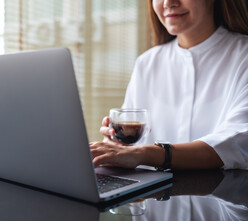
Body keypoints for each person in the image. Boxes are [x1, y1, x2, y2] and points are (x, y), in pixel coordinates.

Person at [90, 0, 248, 170]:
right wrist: (118, 147)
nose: (168, 3)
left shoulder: (243, 56)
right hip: (153, 196)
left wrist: (146, 153)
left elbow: (238, 142)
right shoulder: (147, 63)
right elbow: (134, 148)